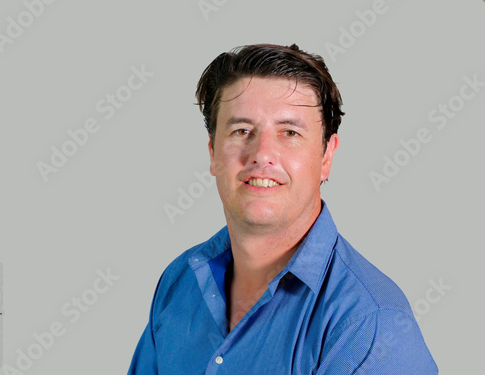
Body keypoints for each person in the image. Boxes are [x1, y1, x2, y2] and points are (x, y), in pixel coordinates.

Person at [128, 43, 438, 374]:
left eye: (289, 132)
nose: (262, 154)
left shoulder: (371, 326)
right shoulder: (180, 280)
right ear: (212, 153)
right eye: (241, 131)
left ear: (326, 157)